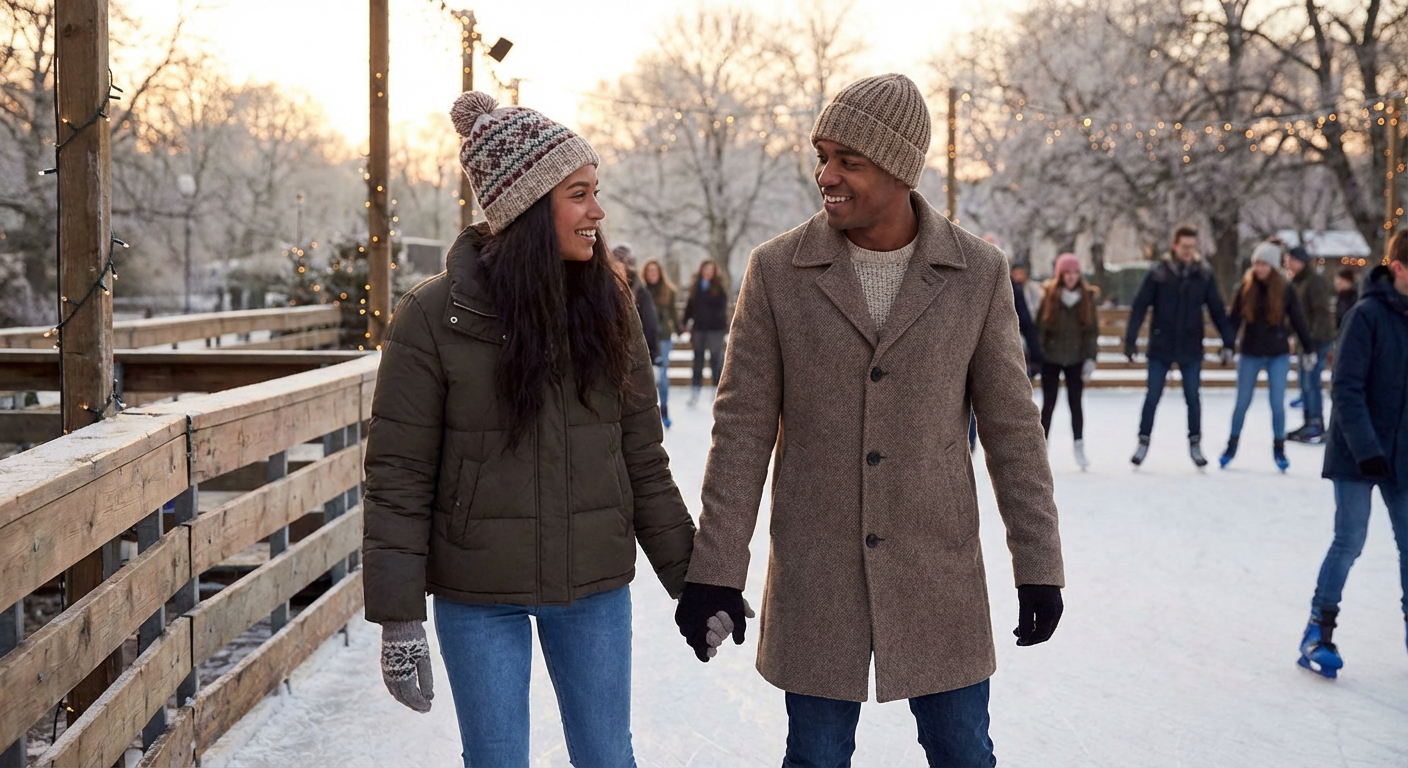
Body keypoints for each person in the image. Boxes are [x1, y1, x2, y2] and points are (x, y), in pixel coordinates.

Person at [675, 74, 1065, 767]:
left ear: (898, 168)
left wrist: (1038, 566)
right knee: (816, 755)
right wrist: (716, 571)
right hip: (818, 572)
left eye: (847, 160)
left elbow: (1012, 431)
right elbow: (740, 431)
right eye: (822, 154)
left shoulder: (976, 272)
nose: (826, 174)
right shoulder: (776, 271)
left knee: (962, 751)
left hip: (935, 569)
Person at [361, 92, 696, 767]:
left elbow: (642, 457)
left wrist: (694, 578)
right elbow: (398, 476)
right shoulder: (433, 317)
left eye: (595, 192)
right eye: (579, 194)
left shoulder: (611, 308)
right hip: (479, 596)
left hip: (592, 588)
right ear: (529, 205)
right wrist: (399, 620)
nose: (597, 211)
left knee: (607, 757)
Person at [1298, 230, 1408, 678]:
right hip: (1358, 453)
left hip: (1401, 454)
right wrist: (1368, 451)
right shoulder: (1365, 316)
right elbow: (1345, 389)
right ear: (1398, 268)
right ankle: (1317, 632)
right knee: (1350, 541)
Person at [1125, 226, 1234, 468]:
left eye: (1192, 247)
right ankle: (1143, 442)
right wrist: (1130, 339)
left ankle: (1195, 443)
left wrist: (1228, 340)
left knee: (1193, 397)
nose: (1188, 251)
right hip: (1161, 343)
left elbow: (1217, 309)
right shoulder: (1159, 273)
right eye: (1184, 246)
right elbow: (1140, 306)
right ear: (1174, 245)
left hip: (1190, 345)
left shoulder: (1203, 274)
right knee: (1152, 395)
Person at [1217, 242, 1314, 472]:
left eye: (1264, 264)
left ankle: (1279, 448)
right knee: (1242, 402)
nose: (1259, 268)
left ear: (1272, 266)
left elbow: (1298, 319)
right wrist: (1227, 345)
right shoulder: (1245, 287)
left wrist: (1308, 347)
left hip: (1277, 353)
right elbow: (1233, 320)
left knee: (1277, 404)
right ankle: (1231, 445)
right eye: (1256, 263)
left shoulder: (1285, 289)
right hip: (1250, 352)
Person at [1037, 253, 1099, 469]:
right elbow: (1040, 328)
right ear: (1060, 275)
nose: (1071, 277)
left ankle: (1079, 445)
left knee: (1076, 403)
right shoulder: (1050, 296)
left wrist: (1090, 357)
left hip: (1076, 358)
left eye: (1075, 273)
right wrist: (1038, 355)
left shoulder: (1086, 298)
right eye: (1067, 273)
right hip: (1051, 358)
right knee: (1049, 403)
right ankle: (1042, 447)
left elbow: (1092, 331)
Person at [1285, 247, 1335, 444]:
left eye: (1291, 260)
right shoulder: (1296, 282)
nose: (1287, 264)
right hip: (1305, 340)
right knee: (1304, 381)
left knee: (1310, 381)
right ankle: (1309, 420)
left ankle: (1315, 421)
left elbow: (1321, 312)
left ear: (1300, 262)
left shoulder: (1313, 281)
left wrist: (1312, 341)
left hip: (1316, 340)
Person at [682, 259, 729, 407]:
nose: (708, 272)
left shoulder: (719, 288)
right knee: (698, 361)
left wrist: (720, 325)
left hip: (715, 330)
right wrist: (684, 321)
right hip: (699, 330)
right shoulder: (696, 287)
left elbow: (722, 310)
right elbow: (690, 306)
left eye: (711, 269)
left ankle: (716, 392)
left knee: (716, 361)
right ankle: (695, 392)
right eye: (705, 269)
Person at [643, 258, 679, 428]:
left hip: (663, 337)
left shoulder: (668, 292)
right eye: (649, 271)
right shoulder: (641, 291)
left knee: (663, 375)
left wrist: (679, 328)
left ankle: (664, 409)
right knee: (647, 375)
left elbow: (673, 314)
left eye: (654, 271)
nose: (652, 275)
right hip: (645, 338)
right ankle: (648, 413)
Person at [613, 243, 660, 365]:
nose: (614, 272)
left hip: (636, 355)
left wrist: (652, 355)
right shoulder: (606, 290)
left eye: (618, 267)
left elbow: (650, 326)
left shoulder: (641, 294)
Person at [1334, 266, 1359, 330]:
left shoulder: (1353, 299)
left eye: (1340, 283)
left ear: (1348, 283)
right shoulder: (1341, 297)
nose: (1337, 286)